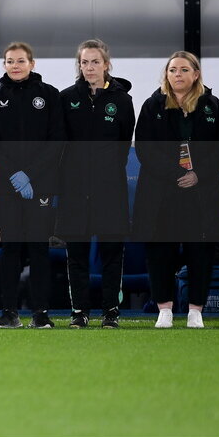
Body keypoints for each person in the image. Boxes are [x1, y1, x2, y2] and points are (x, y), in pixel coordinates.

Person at [133, 51, 219, 329]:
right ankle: (165, 309)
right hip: (161, 191)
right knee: (161, 250)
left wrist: (198, 174)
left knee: (200, 250)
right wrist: (177, 174)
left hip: (201, 191)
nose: (177, 75)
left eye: (184, 70)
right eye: (173, 70)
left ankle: (195, 310)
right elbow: (144, 149)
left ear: (195, 74)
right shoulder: (153, 105)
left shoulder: (213, 105)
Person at [0, 42, 65, 329]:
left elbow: (56, 142)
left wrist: (29, 175)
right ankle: (9, 313)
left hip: (40, 185)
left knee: (39, 248)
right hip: (6, 185)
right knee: (10, 249)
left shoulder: (49, 95)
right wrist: (14, 175)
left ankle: (41, 314)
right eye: (9, 61)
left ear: (32, 63)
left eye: (20, 61)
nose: (14, 66)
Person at [56, 40, 135, 329]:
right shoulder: (65, 98)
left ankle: (110, 312)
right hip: (75, 189)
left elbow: (124, 143)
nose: (89, 67)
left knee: (111, 253)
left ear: (106, 64)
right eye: (84, 62)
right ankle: (80, 312)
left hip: (109, 188)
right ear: (79, 65)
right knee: (76, 255)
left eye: (95, 62)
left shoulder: (123, 101)